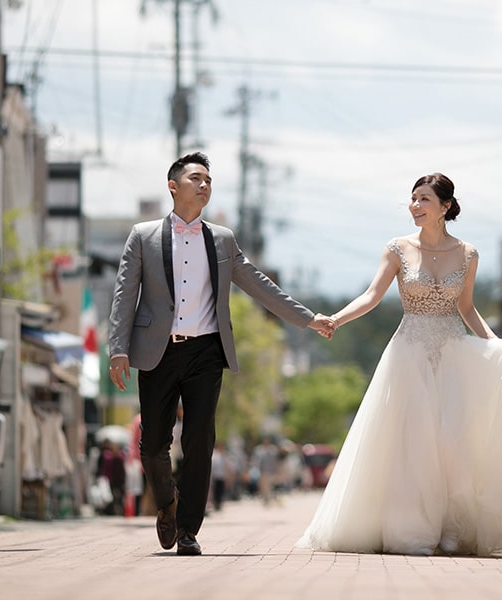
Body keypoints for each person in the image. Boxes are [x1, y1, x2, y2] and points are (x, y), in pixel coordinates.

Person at [296, 173, 502, 556]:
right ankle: (410, 528)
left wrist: (495, 344)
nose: (415, 205)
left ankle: (452, 530)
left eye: (424, 199)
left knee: (454, 445)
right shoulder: (397, 249)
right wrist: (336, 319)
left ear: (445, 206)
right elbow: (373, 295)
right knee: (411, 444)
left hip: (453, 351)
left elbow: (467, 308)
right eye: (412, 199)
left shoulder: (468, 253)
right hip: (409, 351)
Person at [109, 152, 335, 556]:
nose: (204, 185)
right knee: (152, 446)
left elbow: (259, 284)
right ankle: (167, 503)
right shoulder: (142, 236)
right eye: (196, 178)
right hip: (157, 351)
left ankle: (188, 530)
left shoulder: (223, 239)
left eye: (209, 180)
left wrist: (307, 318)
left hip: (206, 353)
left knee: (200, 440)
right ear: (173, 186)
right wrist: (118, 349)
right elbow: (126, 293)